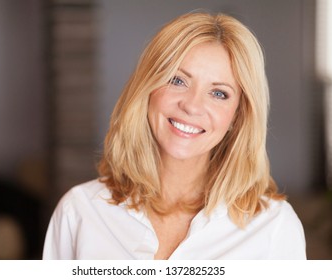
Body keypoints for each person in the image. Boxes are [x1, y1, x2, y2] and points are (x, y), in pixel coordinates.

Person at [42, 12, 306, 260]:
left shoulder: (274, 228)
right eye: (177, 80)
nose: (191, 106)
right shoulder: (80, 212)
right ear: (147, 89)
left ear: (237, 117)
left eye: (218, 93)